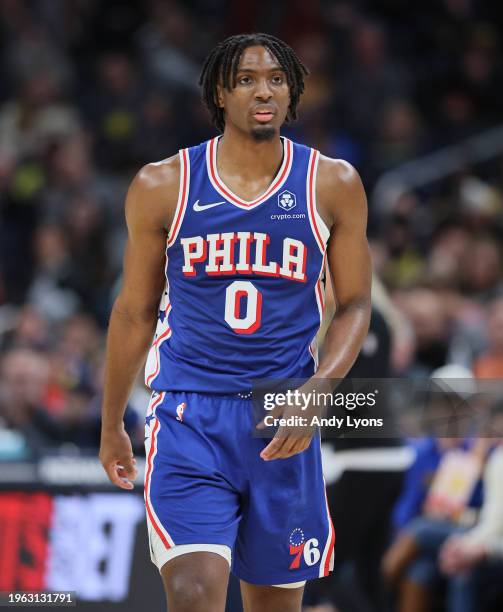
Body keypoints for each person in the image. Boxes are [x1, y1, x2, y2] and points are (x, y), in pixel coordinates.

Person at [99, 33, 371, 612]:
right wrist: (110, 421)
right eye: (246, 79)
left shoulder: (333, 183)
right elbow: (134, 311)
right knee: (194, 593)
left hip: (282, 414)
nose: (262, 91)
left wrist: (319, 390)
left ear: (294, 91)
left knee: (273, 604)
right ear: (221, 93)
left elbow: (355, 304)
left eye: (275, 78)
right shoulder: (163, 183)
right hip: (190, 413)